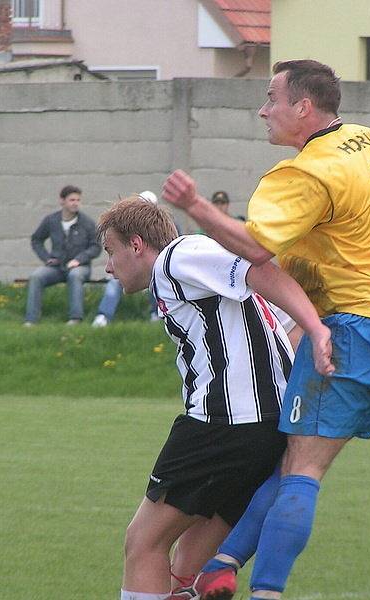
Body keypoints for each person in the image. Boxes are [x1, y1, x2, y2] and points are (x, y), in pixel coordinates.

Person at [162, 59, 370, 600]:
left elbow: (256, 249)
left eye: (271, 98)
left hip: (353, 336)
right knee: (298, 459)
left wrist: (197, 208)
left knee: (303, 470)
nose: (263, 109)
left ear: (303, 107)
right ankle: (221, 566)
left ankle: (267, 592)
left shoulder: (305, 172)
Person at [96, 195, 333, 600]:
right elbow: (281, 321)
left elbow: (261, 272)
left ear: (136, 245)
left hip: (222, 424)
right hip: (266, 432)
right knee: (184, 573)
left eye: (110, 251)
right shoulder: (203, 277)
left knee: (143, 543)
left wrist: (316, 328)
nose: (107, 265)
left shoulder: (179, 255)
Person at [92, 192, 176, 327]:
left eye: (111, 253)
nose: (108, 268)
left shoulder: (184, 259)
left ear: (136, 246)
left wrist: (194, 204)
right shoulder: (174, 295)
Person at [24, 185, 100, 326]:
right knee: (36, 276)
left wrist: (79, 259)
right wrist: (46, 258)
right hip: (56, 267)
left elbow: (96, 246)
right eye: (72, 200)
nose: (75, 203)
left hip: (80, 267)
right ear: (62, 201)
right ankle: (31, 320)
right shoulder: (51, 220)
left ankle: (75, 319)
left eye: (78, 200)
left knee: (74, 275)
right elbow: (36, 239)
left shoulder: (87, 222)